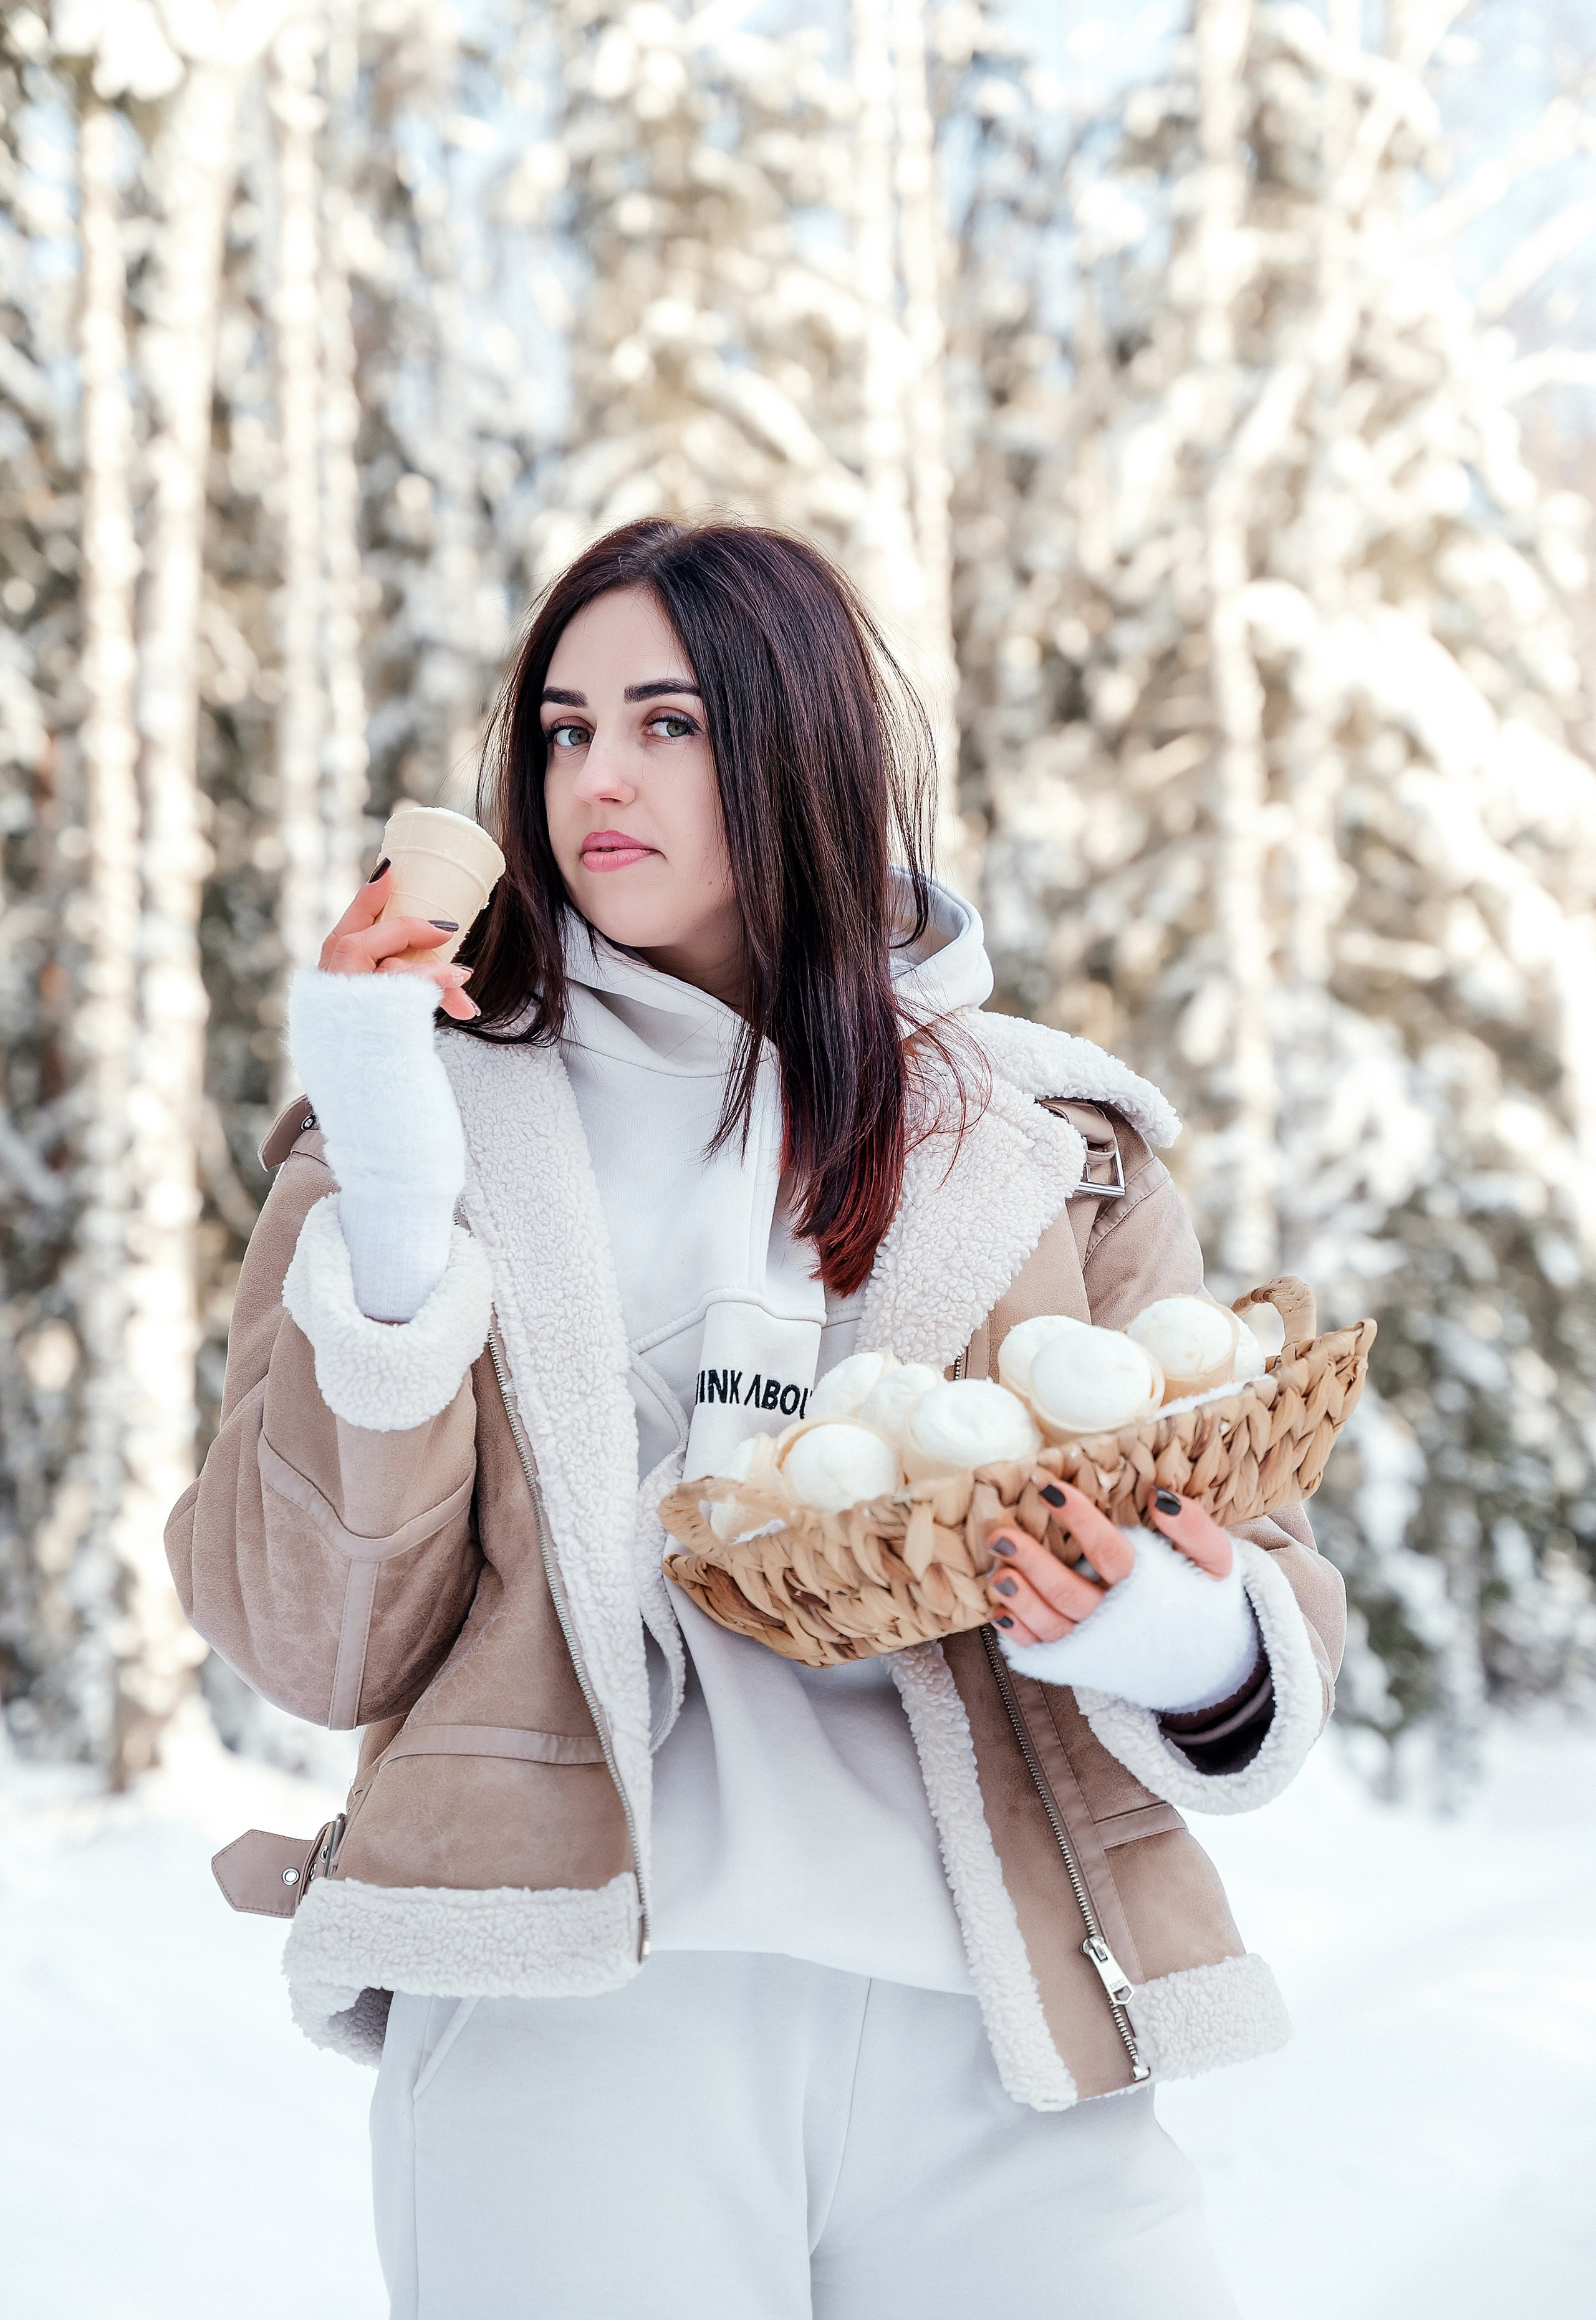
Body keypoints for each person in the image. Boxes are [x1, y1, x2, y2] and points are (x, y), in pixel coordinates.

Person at [168, 517, 1344, 2320]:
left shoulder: (1050, 1142)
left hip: (997, 2027)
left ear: (799, 741)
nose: (597, 777)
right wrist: (395, 1197)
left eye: (668, 721)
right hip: (579, 2010)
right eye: (564, 729)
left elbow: (1259, 1577)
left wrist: (1176, 1629)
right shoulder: (423, 1120)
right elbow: (317, 1636)